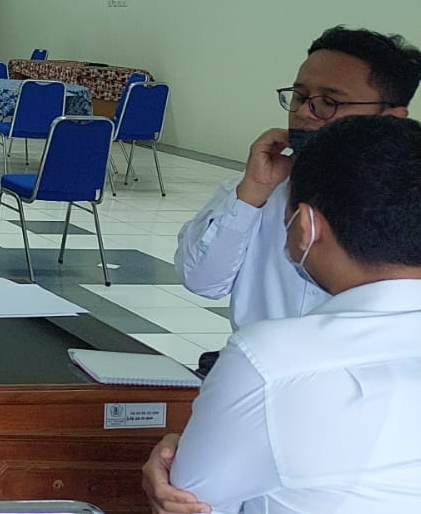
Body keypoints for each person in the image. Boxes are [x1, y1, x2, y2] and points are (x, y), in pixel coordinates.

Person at [143, 115, 421, 514]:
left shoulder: (269, 360)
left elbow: (190, 505)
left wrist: (174, 460)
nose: (308, 112)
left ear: (306, 227)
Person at [174, 27, 419, 336]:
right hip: (260, 361)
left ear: (391, 118)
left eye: (329, 101)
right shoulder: (256, 191)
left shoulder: (408, 205)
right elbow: (201, 282)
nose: (304, 112)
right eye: (300, 96)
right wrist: (251, 194)